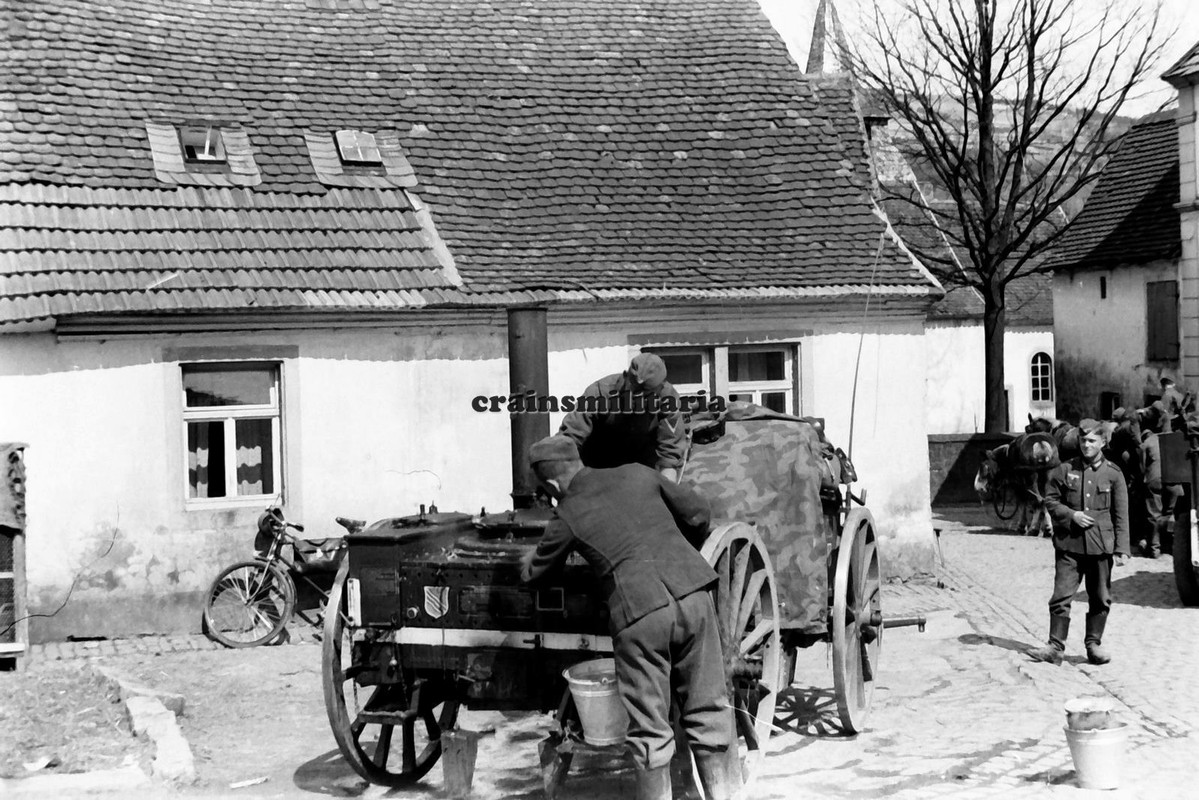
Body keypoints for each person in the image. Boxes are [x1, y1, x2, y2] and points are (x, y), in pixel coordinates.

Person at [519, 434, 737, 800]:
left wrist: (522, 558)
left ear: (553, 485)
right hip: (694, 594)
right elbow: (699, 512)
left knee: (651, 731)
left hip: (640, 617)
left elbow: (534, 574)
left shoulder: (567, 512)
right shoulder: (638, 473)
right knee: (709, 711)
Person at [1030, 422, 1130, 666]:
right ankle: (1055, 647)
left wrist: (1122, 548)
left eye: (1092, 441)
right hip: (1069, 545)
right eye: (1083, 440)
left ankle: (1093, 645)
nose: (1086, 445)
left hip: (1100, 546)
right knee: (1060, 596)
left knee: (1100, 597)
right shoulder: (1065, 469)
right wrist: (1071, 515)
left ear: (1103, 443)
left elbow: (1121, 513)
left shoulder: (1113, 473)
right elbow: (1051, 501)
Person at [559, 353, 686, 482]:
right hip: (597, 465)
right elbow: (568, 439)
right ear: (625, 377)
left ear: (660, 387)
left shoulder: (668, 399)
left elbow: (669, 455)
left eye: (647, 395)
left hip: (642, 470)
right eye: (635, 391)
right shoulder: (599, 393)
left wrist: (666, 494)